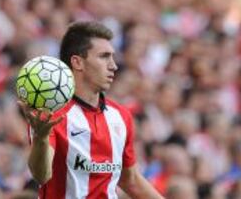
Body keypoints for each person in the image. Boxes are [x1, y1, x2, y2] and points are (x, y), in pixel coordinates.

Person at [19, 21, 164, 198]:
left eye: (112, 57)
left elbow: (130, 179)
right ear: (77, 62)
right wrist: (41, 138)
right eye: (104, 56)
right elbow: (42, 175)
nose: (113, 66)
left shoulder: (121, 116)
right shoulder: (52, 113)